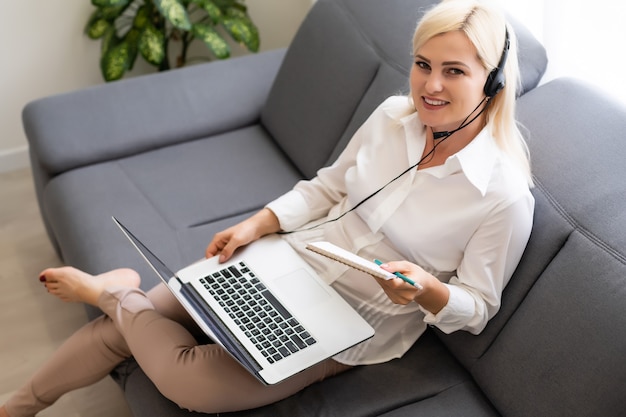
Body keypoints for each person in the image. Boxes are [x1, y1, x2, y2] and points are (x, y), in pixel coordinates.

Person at [1, 0, 535, 416]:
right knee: (124, 330)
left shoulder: (505, 196)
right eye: (422, 65)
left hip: (351, 324)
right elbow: (327, 187)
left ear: (493, 82)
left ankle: (113, 291)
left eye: (454, 71)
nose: (431, 86)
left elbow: (479, 306)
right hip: (284, 260)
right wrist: (257, 223)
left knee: (189, 382)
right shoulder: (392, 115)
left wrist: (430, 289)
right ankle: (16, 406)